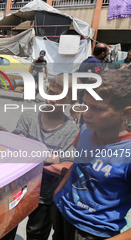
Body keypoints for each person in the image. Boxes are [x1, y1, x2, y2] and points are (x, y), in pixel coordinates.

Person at [52, 69, 131, 240]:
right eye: (85, 104)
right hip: (63, 212)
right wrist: (59, 190)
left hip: (94, 230)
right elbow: (79, 164)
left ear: (126, 113)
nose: (86, 113)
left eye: (96, 108)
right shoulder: (86, 131)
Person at [12, 73, 79, 240]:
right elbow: (14, 146)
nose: (52, 98)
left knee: (36, 234)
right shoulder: (28, 117)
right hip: (18, 190)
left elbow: (65, 168)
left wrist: (30, 151)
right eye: (50, 92)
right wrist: (51, 157)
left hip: (45, 198)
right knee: (7, 229)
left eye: (59, 96)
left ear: (71, 102)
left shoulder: (72, 131)